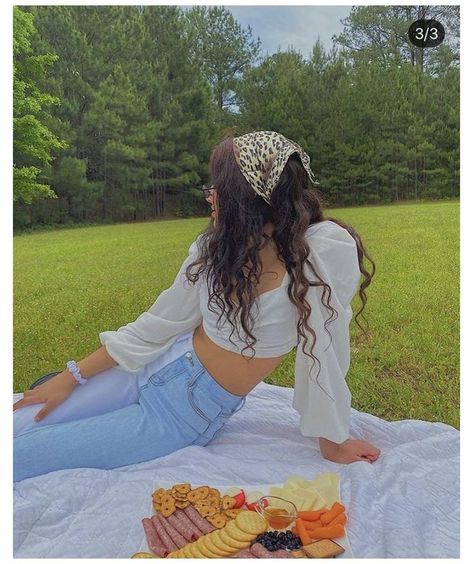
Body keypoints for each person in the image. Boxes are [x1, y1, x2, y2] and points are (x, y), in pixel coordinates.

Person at [13, 130, 380, 482]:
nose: (210, 196)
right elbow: (158, 324)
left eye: (217, 188)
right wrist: (71, 376)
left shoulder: (321, 254)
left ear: (245, 197)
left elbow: (325, 348)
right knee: (26, 419)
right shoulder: (216, 249)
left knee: (25, 455)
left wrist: (333, 440)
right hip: (153, 366)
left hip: (182, 412)